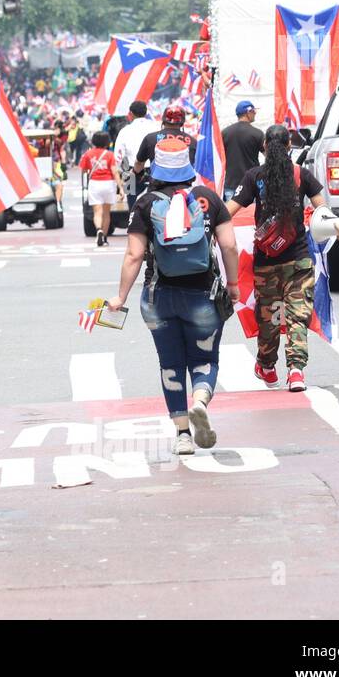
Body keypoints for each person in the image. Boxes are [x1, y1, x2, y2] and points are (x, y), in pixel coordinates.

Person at [107, 137, 239, 455]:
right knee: (205, 359)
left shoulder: (145, 203)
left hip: (158, 298)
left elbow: (134, 255)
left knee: (170, 363)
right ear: (188, 165)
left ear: (156, 167)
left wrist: (120, 297)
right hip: (203, 295)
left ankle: (182, 435)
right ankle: (200, 401)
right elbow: (230, 245)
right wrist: (233, 284)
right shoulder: (208, 198)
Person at [226, 125, 326, 391]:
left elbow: (230, 211)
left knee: (268, 317)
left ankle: (267, 366)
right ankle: (296, 371)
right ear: (290, 145)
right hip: (299, 260)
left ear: (265, 147)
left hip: (267, 261)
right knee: (298, 315)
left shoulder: (254, 176)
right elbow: (322, 210)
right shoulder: (302, 175)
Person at [113, 101, 159, 207]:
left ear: (131, 114)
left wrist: (118, 174)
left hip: (131, 172)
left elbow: (118, 156)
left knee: (132, 204)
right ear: (146, 112)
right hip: (154, 172)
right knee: (154, 203)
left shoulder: (125, 131)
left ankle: (133, 222)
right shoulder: (156, 127)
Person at [79, 131, 119, 247]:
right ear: (107, 142)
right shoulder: (110, 154)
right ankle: (105, 238)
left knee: (97, 212)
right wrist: (121, 188)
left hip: (95, 183)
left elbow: (83, 170)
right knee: (107, 213)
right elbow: (114, 171)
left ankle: (98, 230)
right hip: (108, 183)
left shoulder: (88, 154)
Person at [134, 105, 197, 177]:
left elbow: (138, 165)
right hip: (185, 186)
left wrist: (135, 173)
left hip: (158, 186)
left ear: (163, 121)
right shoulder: (193, 142)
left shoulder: (150, 138)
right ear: (182, 123)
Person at [221, 101, 265, 198]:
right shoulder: (257, 133)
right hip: (252, 184)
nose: (255, 113)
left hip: (231, 184)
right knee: (251, 213)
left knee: (232, 213)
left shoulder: (224, 133)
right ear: (248, 112)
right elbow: (268, 155)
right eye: (253, 111)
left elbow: (219, 158)